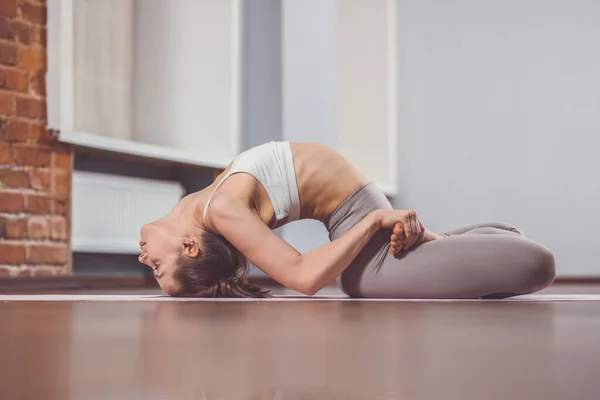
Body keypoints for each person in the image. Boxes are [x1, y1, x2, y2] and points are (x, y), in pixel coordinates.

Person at [138, 141, 555, 298]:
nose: (143, 260)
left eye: (156, 267)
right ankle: (488, 239)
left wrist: (374, 220)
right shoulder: (216, 203)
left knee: (358, 282)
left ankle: (498, 244)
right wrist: (373, 219)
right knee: (355, 280)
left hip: (355, 209)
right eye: (156, 266)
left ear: (190, 245)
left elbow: (303, 276)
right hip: (353, 207)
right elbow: (304, 275)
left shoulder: (218, 206)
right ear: (189, 247)